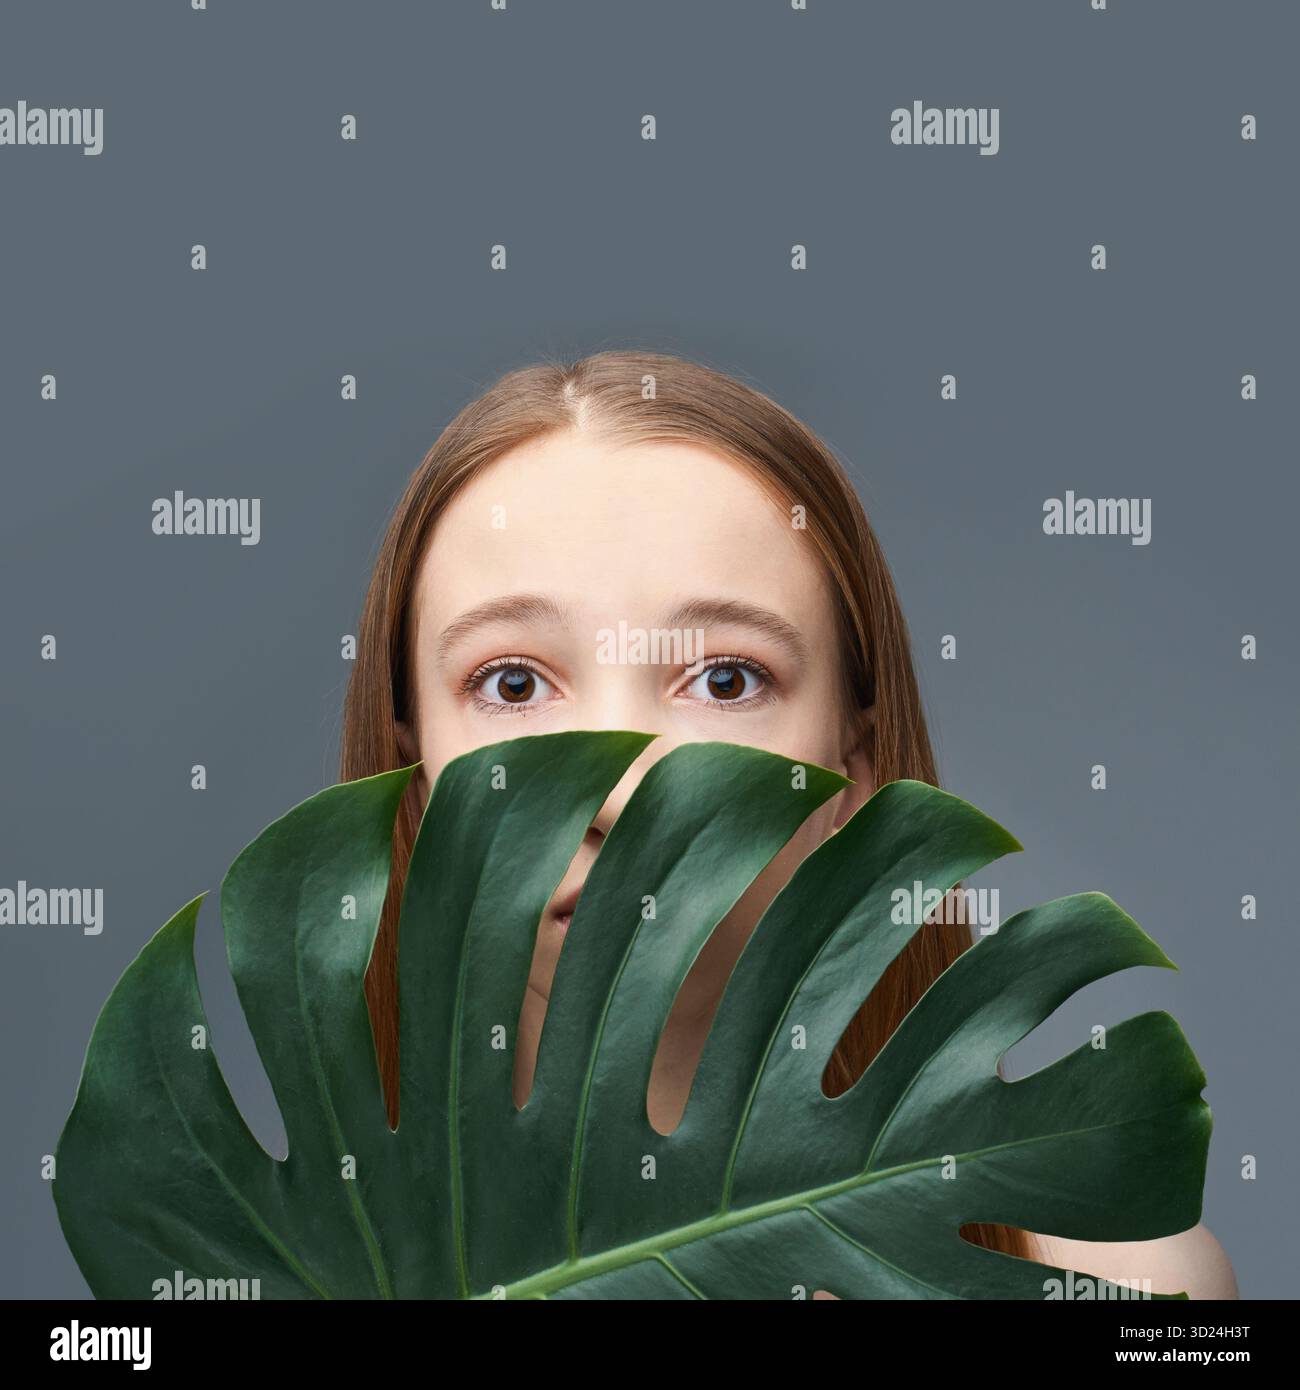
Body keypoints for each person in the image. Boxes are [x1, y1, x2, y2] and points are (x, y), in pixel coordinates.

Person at [340, 349, 1237, 1299]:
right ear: (412, 761)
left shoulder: (1132, 1294)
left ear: (852, 758)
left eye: (726, 680)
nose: (619, 791)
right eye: (512, 684)